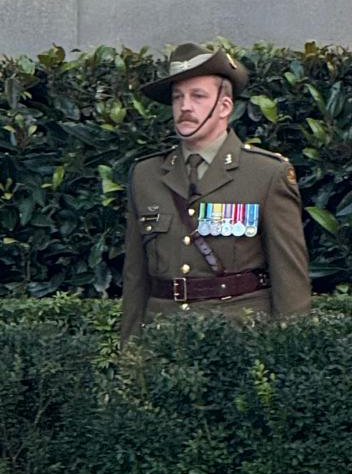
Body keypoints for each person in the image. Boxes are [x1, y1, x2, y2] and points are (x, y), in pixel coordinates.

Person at [120, 43, 311, 340]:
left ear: (224, 107)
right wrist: (131, 356)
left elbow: (290, 280)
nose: (185, 107)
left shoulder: (265, 174)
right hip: (164, 340)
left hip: (239, 339)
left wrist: (288, 356)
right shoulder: (146, 176)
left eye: (198, 96)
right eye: (178, 98)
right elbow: (135, 279)